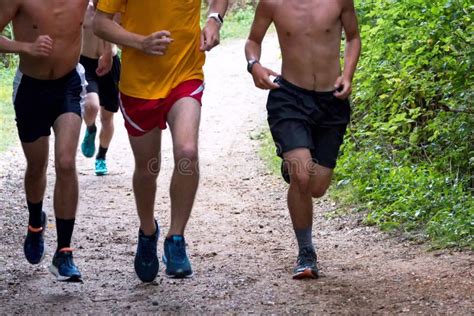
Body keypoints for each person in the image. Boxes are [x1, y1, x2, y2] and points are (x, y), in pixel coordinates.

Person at [93, 0, 228, 282]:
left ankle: (176, 238)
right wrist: (140, 43)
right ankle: (147, 232)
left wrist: (215, 18)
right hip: (139, 86)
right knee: (147, 169)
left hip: (185, 75)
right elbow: (100, 22)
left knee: (187, 152)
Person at [245, 0, 361, 279]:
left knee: (317, 186)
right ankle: (306, 253)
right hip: (289, 98)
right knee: (302, 176)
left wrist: (348, 74)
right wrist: (254, 65)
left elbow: (354, 37)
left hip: (331, 100)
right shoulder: (272, 3)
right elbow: (252, 40)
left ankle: (295, 164)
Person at [0, 0, 89, 281]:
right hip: (31, 87)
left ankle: (64, 252)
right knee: (37, 166)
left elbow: (110, 14)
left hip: (69, 84)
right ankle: (35, 222)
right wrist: (26, 47)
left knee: (65, 162)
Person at [80, 0, 121, 176]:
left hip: (111, 64)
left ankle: (101, 157)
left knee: (107, 118)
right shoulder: (82, 8)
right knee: (91, 106)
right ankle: (90, 128)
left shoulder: (117, 9)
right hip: (86, 64)